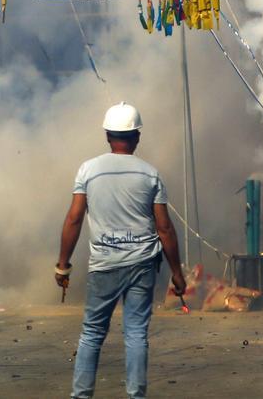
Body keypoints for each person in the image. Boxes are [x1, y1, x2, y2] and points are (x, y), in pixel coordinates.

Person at [55, 102, 185, 399]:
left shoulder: (88, 170)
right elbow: (164, 228)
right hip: (142, 264)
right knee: (136, 334)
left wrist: (63, 264)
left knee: (91, 334)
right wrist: (177, 273)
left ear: (107, 135)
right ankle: (136, 396)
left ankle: (81, 396)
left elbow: (74, 218)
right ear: (137, 136)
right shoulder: (150, 174)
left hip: (104, 264)